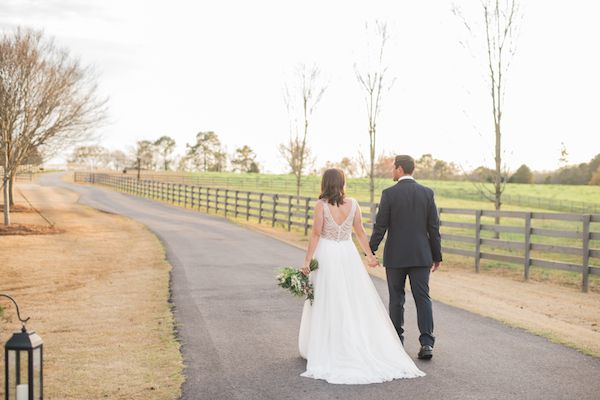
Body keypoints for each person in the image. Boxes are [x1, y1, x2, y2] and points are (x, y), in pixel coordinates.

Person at [298, 168, 425, 384]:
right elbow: (360, 232)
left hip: (328, 253)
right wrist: (370, 256)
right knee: (351, 298)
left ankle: (327, 345)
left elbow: (316, 234)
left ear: (325, 183)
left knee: (327, 298)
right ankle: (350, 342)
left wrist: (307, 261)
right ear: (342, 182)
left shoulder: (321, 205)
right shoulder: (354, 203)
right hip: (347, 254)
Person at [369, 155, 442, 360]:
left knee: (396, 299)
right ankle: (427, 344)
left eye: (393, 168)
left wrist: (371, 249)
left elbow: (380, 226)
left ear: (400, 169)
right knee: (423, 298)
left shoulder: (389, 194)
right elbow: (433, 228)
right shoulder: (427, 193)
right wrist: (437, 256)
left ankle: (397, 342)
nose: (392, 171)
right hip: (421, 255)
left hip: (396, 256)